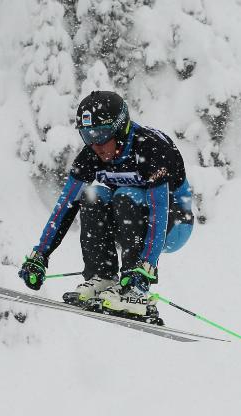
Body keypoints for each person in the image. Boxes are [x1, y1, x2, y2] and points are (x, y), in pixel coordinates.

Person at [18, 90, 194, 324]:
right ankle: (103, 276)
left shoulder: (150, 149)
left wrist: (146, 267)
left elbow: (159, 209)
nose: (96, 146)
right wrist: (40, 254)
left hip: (174, 224)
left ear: (119, 129)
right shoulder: (91, 155)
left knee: (125, 195)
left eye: (100, 135)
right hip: (129, 221)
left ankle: (135, 289)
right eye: (87, 136)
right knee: (92, 196)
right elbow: (65, 206)